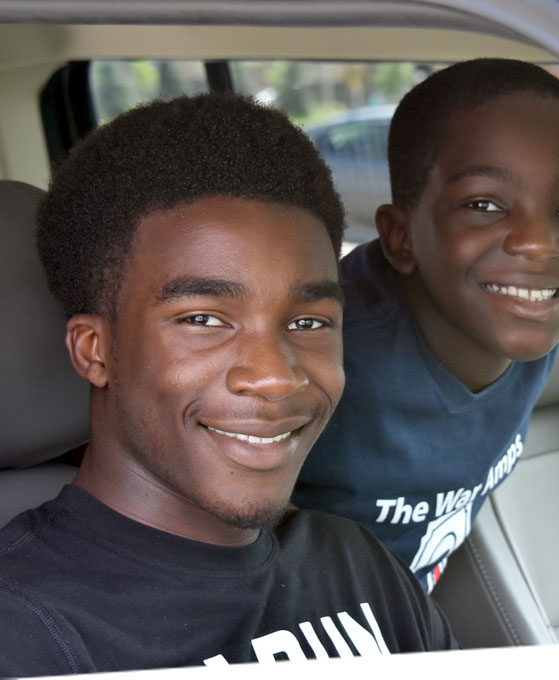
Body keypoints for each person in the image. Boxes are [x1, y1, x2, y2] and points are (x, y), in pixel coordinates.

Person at [0, 94, 451, 674]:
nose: (275, 376)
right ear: (96, 350)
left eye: (309, 322)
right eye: (204, 320)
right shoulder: (24, 631)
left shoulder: (357, 564)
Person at [290, 58, 559, 590]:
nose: (539, 242)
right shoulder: (323, 364)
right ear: (400, 237)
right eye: (485, 204)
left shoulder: (530, 315)